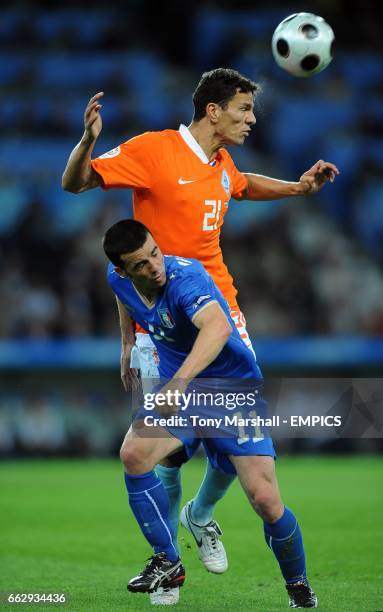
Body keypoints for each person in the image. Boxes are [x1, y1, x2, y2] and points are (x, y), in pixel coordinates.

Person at [62, 67, 338, 604]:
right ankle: (171, 565)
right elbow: (76, 185)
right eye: (243, 110)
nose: (252, 119)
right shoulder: (154, 151)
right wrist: (87, 143)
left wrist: (298, 188)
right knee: (164, 454)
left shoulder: (220, 162)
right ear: (214, 110)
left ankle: (202, 515)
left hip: (221, 314)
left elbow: (243, 184)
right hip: (158, 324)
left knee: (229, 440)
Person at [102, 218, 318, 609]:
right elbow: (123, 294)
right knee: (134, 454)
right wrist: (126, 340)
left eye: (155, 253)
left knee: (266, 499)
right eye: (142, 264)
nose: (155, 265)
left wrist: (180, 381)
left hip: (231, 391)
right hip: (182, 392)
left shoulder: (187, 278)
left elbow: (217, 328)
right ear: (123, 270)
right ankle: (167, 561)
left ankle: (299, 587)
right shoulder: (117, 278)